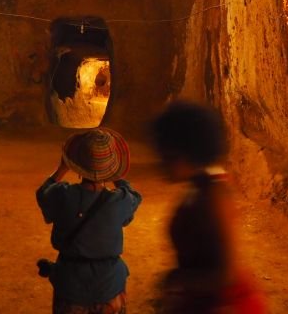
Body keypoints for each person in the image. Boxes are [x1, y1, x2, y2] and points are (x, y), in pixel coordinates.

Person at [150, 100, 267, 314]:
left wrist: (177, 280)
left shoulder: (214, 195)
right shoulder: (200, 188)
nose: (161, 162)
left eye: (167, 155)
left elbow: (226, 274)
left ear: (185, 153)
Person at [36, 127, 142, 314]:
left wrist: (62, 168)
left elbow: (42, 194)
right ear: (112, 166)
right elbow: (134, 195)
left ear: (75, 162)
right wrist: (114, 174)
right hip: (110, 287)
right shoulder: (119, 201)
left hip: (70, 288)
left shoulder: (62, 195)